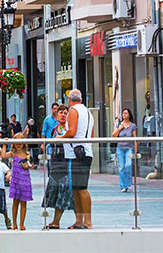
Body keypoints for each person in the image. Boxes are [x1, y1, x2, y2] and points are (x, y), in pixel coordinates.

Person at [59, 89, 94, 229]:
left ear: (69, 99)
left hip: (78, 153)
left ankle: (87, 221)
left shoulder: (73, 110)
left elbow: (72, 131)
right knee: (77, 188)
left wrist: (60, 138)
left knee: (81, 188)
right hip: (85, 151)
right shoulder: (88, 112)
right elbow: (90, 134)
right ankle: (80, 221)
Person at [42, 105, 74, 230]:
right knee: (58, 194)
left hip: (67, 165)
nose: (62, 115)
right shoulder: (56, 128)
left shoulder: (70, 129)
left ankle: (80, 221)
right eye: (61, 112)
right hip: (56, 164)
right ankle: (56, 222)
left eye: (65, 113)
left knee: (68, 194)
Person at [3, 133, 32, 230]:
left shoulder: (27, 154)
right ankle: (14, 223)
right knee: (15, 202)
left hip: (25, 179)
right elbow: (3, 155)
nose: (18, 144)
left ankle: (22, 223)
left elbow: (30, 165)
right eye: (16, 142)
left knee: (24, 202)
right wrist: (4, 144)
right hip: (16, 179)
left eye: (20, 142)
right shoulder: (13, 153)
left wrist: (27, 164)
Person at [112, 108, 137, 193]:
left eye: (126, 113)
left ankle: (129, 183)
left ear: (129, 115)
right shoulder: (119, 124)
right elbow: (113, 135)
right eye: (123, 113)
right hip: (120, 148)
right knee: (121, 167)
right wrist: (119, 128)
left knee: (128, 165)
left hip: (129, 148)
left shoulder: (132, 126)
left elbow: (135, 138)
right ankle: (123, 186)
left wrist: (136, 150)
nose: (124, 115)